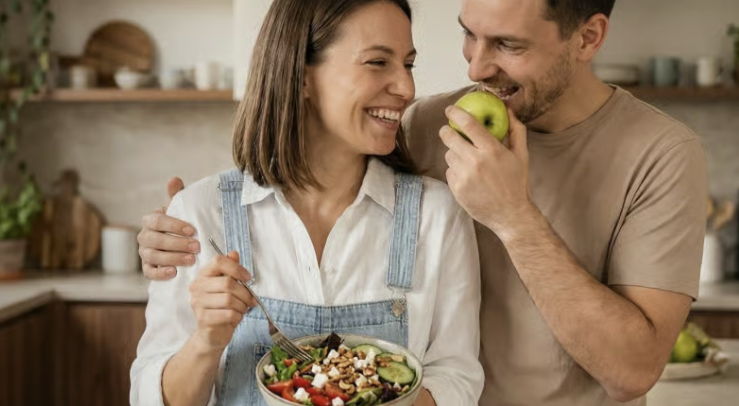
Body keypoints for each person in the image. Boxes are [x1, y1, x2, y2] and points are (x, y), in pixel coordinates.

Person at [137, 0, 707, 405]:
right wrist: (183, 226)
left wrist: (512, 216)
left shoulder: (661, 154)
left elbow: (632, 371)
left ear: (588, 37)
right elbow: (300, 153)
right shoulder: (429, 123)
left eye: (508, 45)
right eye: (469, 34)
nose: (476, 68)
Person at [129, 1, 485, 405]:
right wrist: (206, 342)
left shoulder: (436, 216)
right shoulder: (198, 215)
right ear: (301, 75)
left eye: (408, 65)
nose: (406, 88)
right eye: (377, 62)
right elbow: (147, 398)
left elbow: (457, 379)